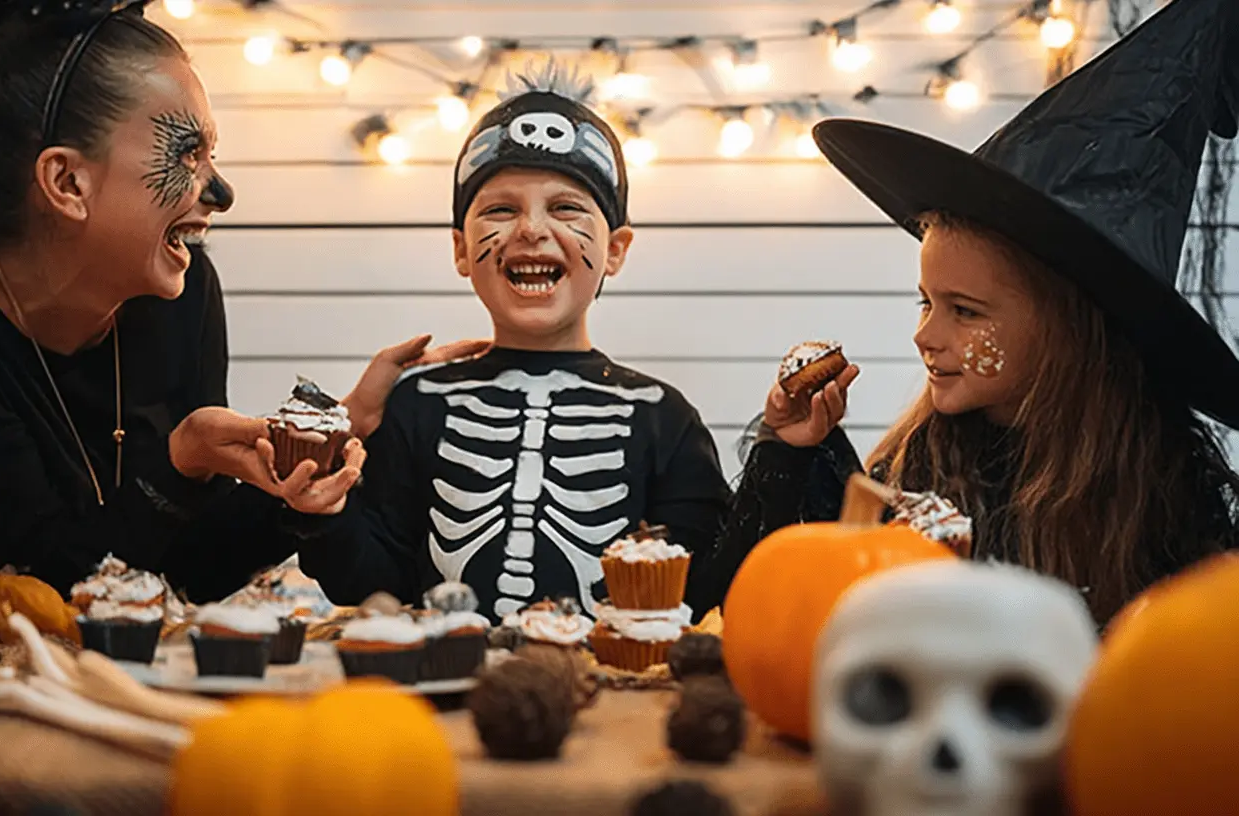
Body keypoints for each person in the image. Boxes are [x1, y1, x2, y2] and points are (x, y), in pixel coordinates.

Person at [0, 0, 484, 600]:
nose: (221, 192)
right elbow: (35, 586)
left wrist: (331, 437)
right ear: (67, 181)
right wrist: (181, 463)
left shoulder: (184, 297)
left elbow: (189, 572)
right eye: (187, 155)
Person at [711, 0, 1239, 624]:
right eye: (926, 302)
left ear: (1069, 332)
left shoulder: (1167, 495)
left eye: (964, 311)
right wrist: (786, 453)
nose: (924, 335)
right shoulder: (917, 469)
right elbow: (766, 609)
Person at [289, 61, 731, 621]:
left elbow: (703, 584)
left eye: (566, 208)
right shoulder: (417, 403)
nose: (531, 230)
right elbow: (371, 583)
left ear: (615, 250)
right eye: (501, 209)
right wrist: (323, 508)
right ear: (460, 249)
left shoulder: (663, 416)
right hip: (447, 672)